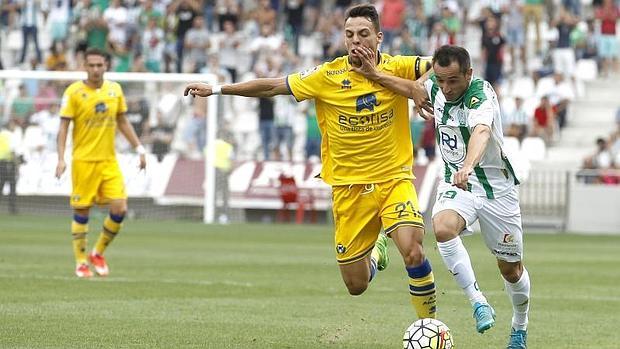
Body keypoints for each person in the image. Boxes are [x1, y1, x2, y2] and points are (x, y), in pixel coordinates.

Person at [184, 4, 438, 320]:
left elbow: (442, 66)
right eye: (349, 35)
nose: (356, 41)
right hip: (349, 189)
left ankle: (430, 326)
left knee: (413, 250)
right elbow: (273, 86)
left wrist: (415, 85)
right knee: (356, 285)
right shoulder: (326, 76)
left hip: (393, 179)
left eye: (363, 34)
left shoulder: (399, 66)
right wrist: (219, 89)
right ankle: (375, 253)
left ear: (379, 37)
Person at [349, 45, 530, 349]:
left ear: (468, 74)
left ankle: (520, 327)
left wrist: (469, 165)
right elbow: (412, 87)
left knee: (510, 270)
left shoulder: (481, 94)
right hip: (456, 184)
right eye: (441, 80)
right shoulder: (434, 87)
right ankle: (478, 302)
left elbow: (482, 132)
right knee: (442, 228)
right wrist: (375, 74)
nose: (446, 88)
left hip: (496, 189)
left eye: (453, 81)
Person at [56, 47, 147, 278]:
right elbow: (64, 126)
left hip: (109, 161)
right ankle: (80, 262)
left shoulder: (115, 90)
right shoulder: (74, 92)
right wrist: (60, 158)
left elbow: (123, 121)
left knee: (120, 207)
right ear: (84, 66)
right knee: (82, 212)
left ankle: (98, 252)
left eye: (100, 65)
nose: (96, 69)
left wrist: (139, 148)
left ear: (106, 65)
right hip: (83, 161)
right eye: (91, 65)